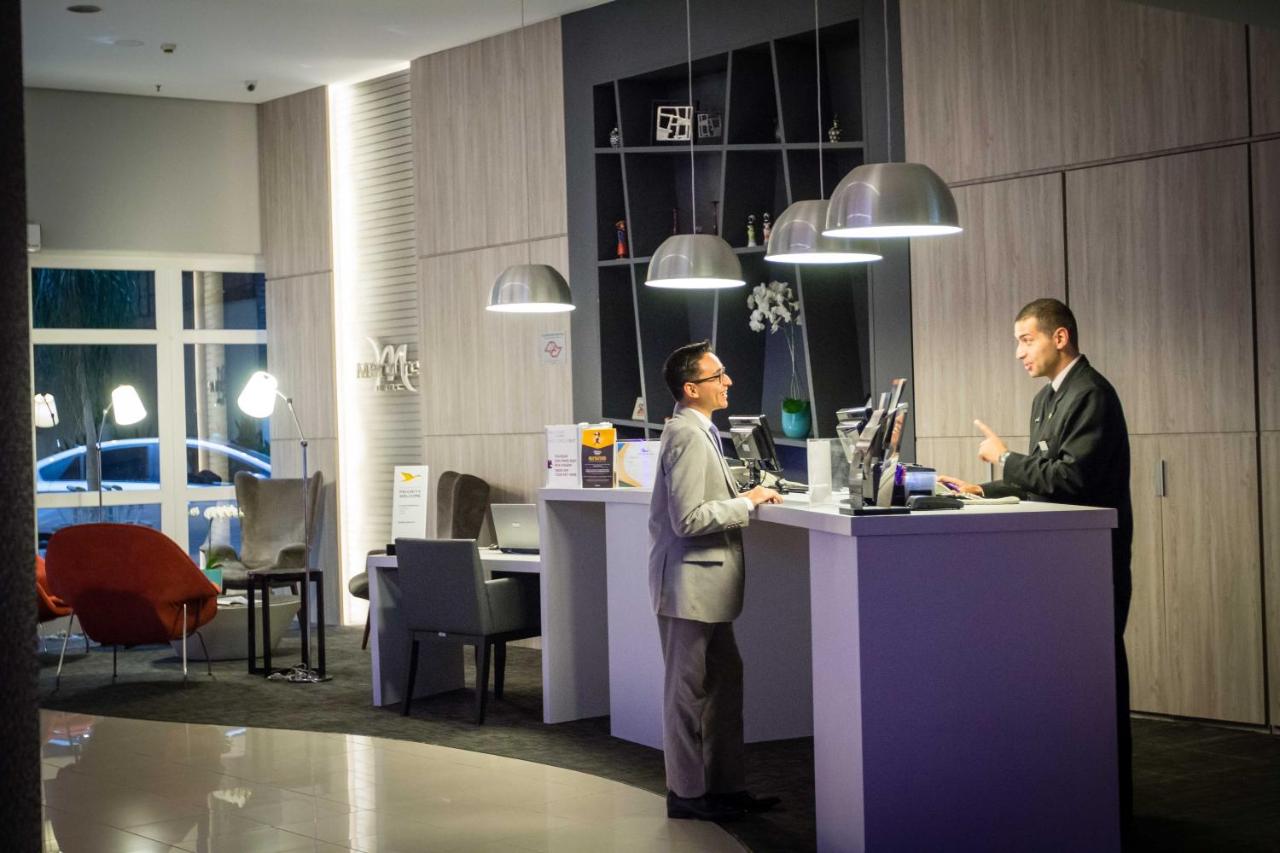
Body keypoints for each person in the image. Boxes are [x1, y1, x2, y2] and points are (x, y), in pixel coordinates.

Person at [939, 297, 1134, 820]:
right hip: (1059, 564)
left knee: (1096, 682)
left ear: (1060, 338)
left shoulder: (1090, 394)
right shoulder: (1046, 399)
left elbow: (1071, 479)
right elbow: (1042, 482)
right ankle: (1067, 798)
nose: (1019, 353)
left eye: (1026, 340)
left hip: (1092, 562)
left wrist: (1005, 457)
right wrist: (984, 487)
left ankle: (1110, 807)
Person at [649, 340, 783, 821]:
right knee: (686, 695)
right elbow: (688, 519)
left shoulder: (699, 430)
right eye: (717, 376)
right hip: (689, 587)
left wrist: (745, 493)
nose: (728, 382)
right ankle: (686, 794)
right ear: (692, 389)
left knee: (725, 683)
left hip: (706, 587)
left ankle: (725, 787)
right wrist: (747, 502)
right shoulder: (686, 434)